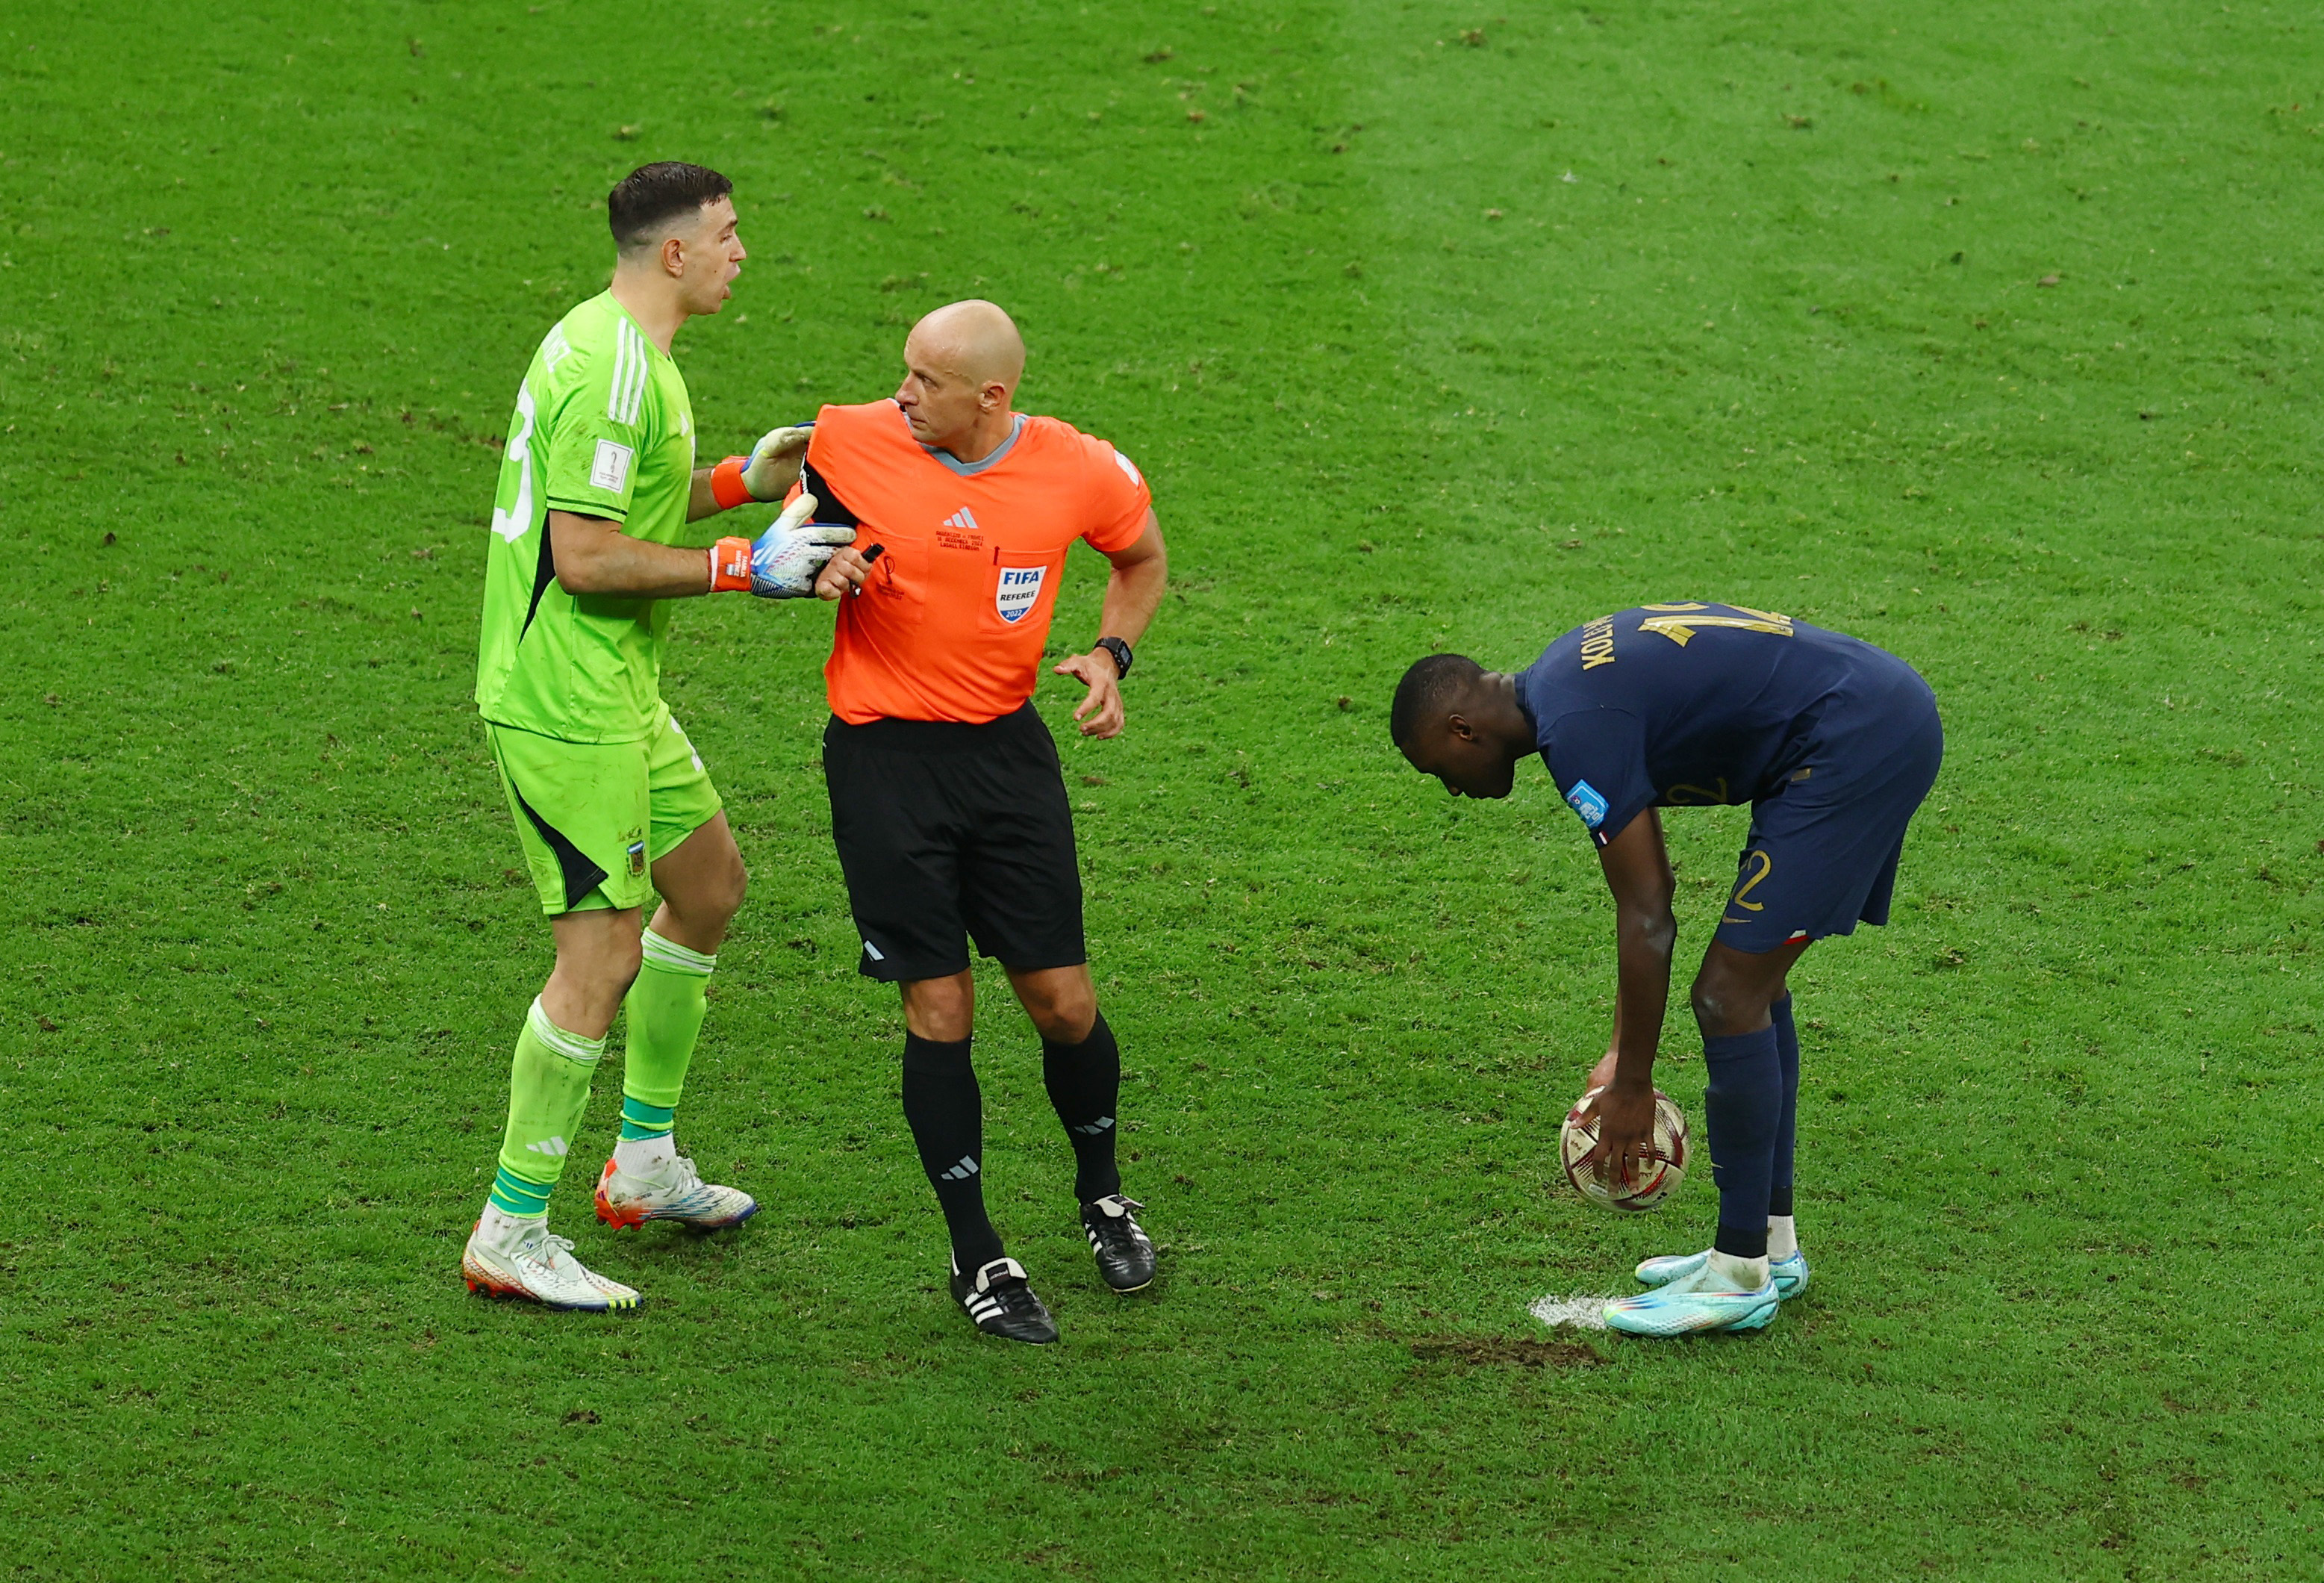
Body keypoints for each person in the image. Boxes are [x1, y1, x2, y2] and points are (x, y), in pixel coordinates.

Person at [461, 161, 855, 1312]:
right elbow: (584, 559)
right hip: (562, 700)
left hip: (616, 687)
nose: (743, 254)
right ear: (673, 252)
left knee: (711, 884)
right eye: (729, 237)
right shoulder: (611, 370)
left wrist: (743, 482)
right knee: (601, 956)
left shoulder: (633, 350)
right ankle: (510, 1227)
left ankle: (639, 1164)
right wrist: (753, 570)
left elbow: (625, 505)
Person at [1389, 602, 1943, 1336]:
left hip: (1855, 739)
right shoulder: (1562, 681)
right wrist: (1623, 1044)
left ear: (1462, 729)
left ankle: (1738, 1272)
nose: (1451, 788)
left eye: (1439, 770)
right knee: (1747, 985)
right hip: (1860, 715)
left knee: (1727, 996)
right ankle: (1768, 1247)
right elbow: (1647, 900)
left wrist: (1630, 1087)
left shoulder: (1574, 726)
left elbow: (1647, 909)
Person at [800, 299, 1169, 1345]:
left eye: (924, 379)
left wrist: (1111, 655)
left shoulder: (1078, 468)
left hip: (1007, 757)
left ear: (990, 397)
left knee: (1060, 1001)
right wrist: (813, 563)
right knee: (940, 1006)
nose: (900, 392)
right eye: (903, 372)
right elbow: (790, 527)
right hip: (883, 764)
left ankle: (1101, 1195)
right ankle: (977, 1251)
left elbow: (1140, 558)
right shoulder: (853, 438)